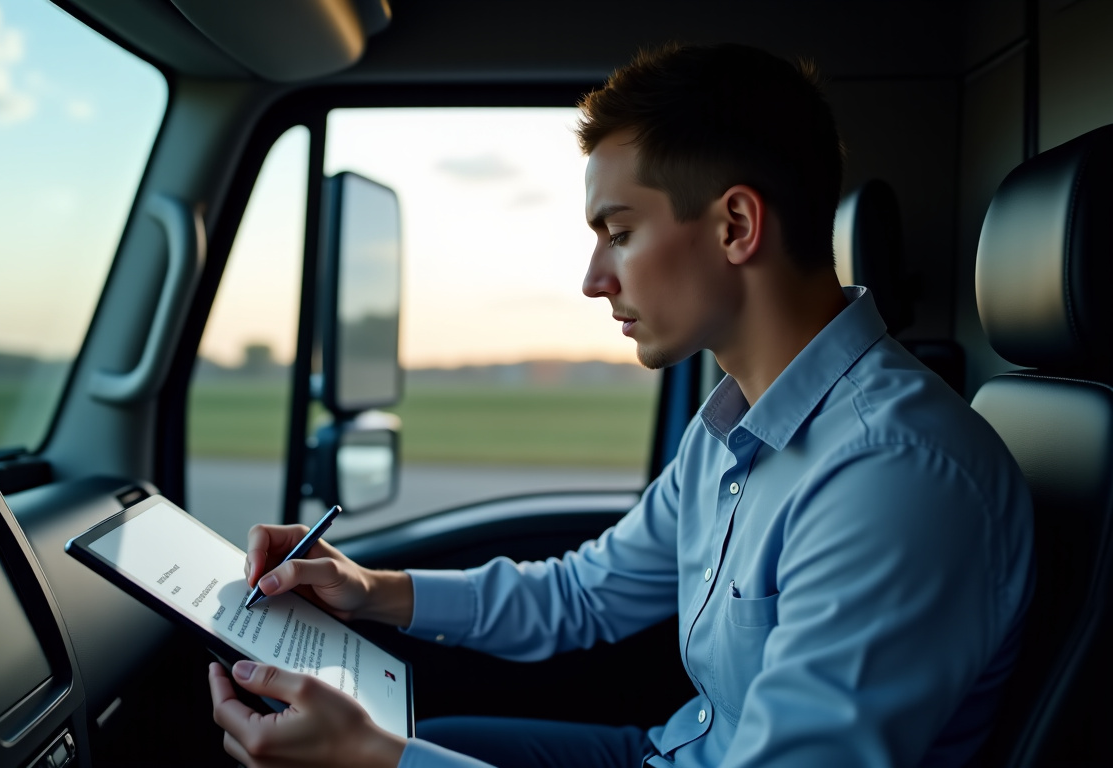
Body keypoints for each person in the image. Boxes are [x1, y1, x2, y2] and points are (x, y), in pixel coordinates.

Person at [207, 42, 1034, 768]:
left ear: (736, 225)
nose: (593, 278)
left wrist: (378, 762)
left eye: (621, 232)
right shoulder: (732, 428)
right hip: (667, 750)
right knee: (427, 737)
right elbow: (584, 594)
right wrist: (369, 587)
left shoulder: (893, 476)